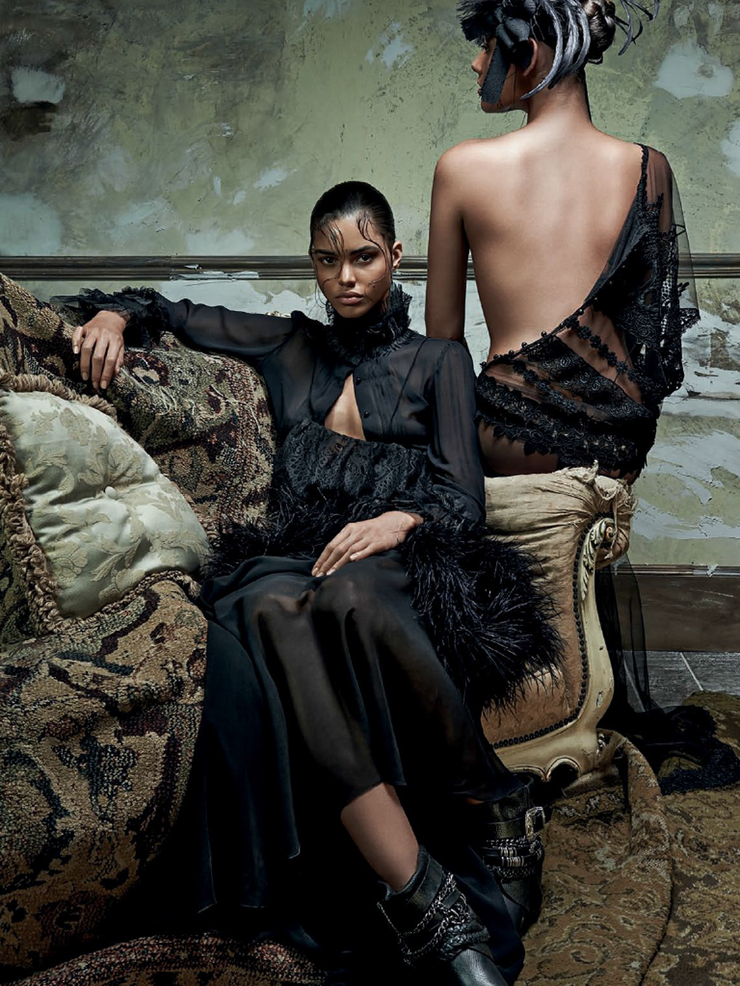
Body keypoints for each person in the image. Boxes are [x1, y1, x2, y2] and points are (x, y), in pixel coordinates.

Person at [58, 182, 562, 986]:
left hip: (412, 554)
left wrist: (396, 520)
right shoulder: (290, 345)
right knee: (260, 602)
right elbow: (172, 310)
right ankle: (427, 901)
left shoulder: (439, 361)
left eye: (363, 257)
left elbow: (463, 501)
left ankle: (493, 796)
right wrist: (114, 317)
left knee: (347, 596)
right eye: (328, 261)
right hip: (298, 554)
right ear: (314, 265)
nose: (347, 278)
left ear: (395, 257)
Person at [426, 0, 698, 482]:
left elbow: (443, 339)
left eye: (487, 46)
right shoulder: (649, 168)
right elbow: (651, 337)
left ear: (527, 55)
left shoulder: (462, 169)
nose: (476, 63)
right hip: (618, 441)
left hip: (511, 431)